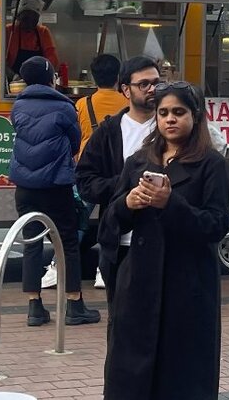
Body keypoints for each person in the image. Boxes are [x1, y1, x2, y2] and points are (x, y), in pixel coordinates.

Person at [101, 81, 229, 399]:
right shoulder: (139, 161)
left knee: (181, 374)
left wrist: (170, 203)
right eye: (163, 113)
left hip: (188, 286)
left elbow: (215, 225)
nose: (170, 119)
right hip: (139, 283)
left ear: (195, 116)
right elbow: (109, 223)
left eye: (178, 112)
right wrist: (127, 204)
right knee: (130, 371)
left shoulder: (212, 165)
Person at [9, 56, 100, 327]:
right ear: (51, 78)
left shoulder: (19, 105)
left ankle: (34, 307)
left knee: (31, 244)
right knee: (67, 243)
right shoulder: (64, 106)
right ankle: (74, 304)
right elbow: (74, 143)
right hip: (56, 186)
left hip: (24, 186)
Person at [78, 56, 160, 309]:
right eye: (144, 84)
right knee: (121, 318)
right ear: (126, 89)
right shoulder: (109, 131)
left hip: (164, 240)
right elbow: (85, 181)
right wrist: (125, 188)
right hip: (120, 241)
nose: (152, 90)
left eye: (157, 83)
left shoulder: (170, 126)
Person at [41, 54, 128, 290]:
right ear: (119, 77)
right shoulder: (126, 104)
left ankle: (58, 268)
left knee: (77, 221)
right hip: (118, 172)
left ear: (93, 77)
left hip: (87, 172)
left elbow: (75, 138)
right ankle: (104, 271)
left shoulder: (82, 104)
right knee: (115, 222)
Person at [6, 0, 60, 79]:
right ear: (18, 17)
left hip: (39, 80)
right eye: (26, 18)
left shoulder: (43, 32)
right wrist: (13, 76)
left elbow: (52, 58)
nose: (29, 23)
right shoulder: (9, 31)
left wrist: (44, 75)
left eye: (34, 19)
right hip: (13, 82)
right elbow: (0, 60)